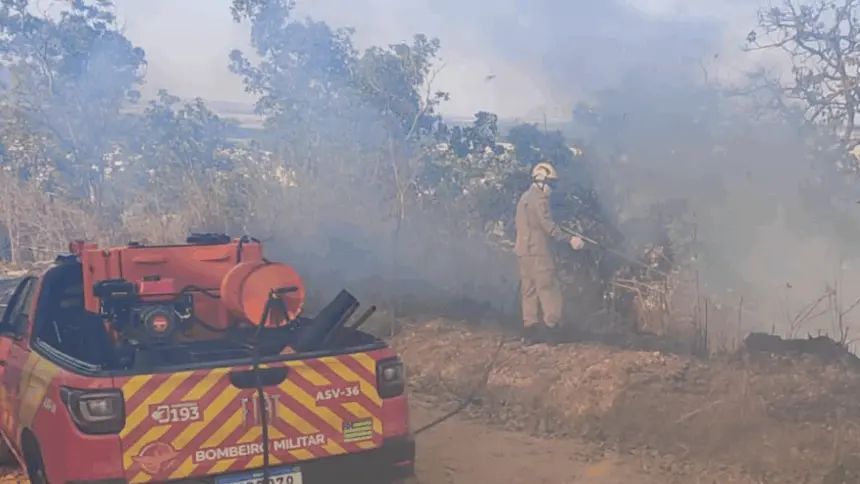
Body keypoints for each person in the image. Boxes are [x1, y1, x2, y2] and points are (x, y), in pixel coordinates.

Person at [514, 161, 584, 344]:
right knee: (548, 288)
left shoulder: (524, 198)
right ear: (541, 181)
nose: (552, 189)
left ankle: (530, 332)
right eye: (551, 184)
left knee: (528, 290)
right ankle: (552, 332)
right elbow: (548, 226)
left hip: (523, 252)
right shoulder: (539, 200)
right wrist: (571, 239)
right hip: (538, 252)